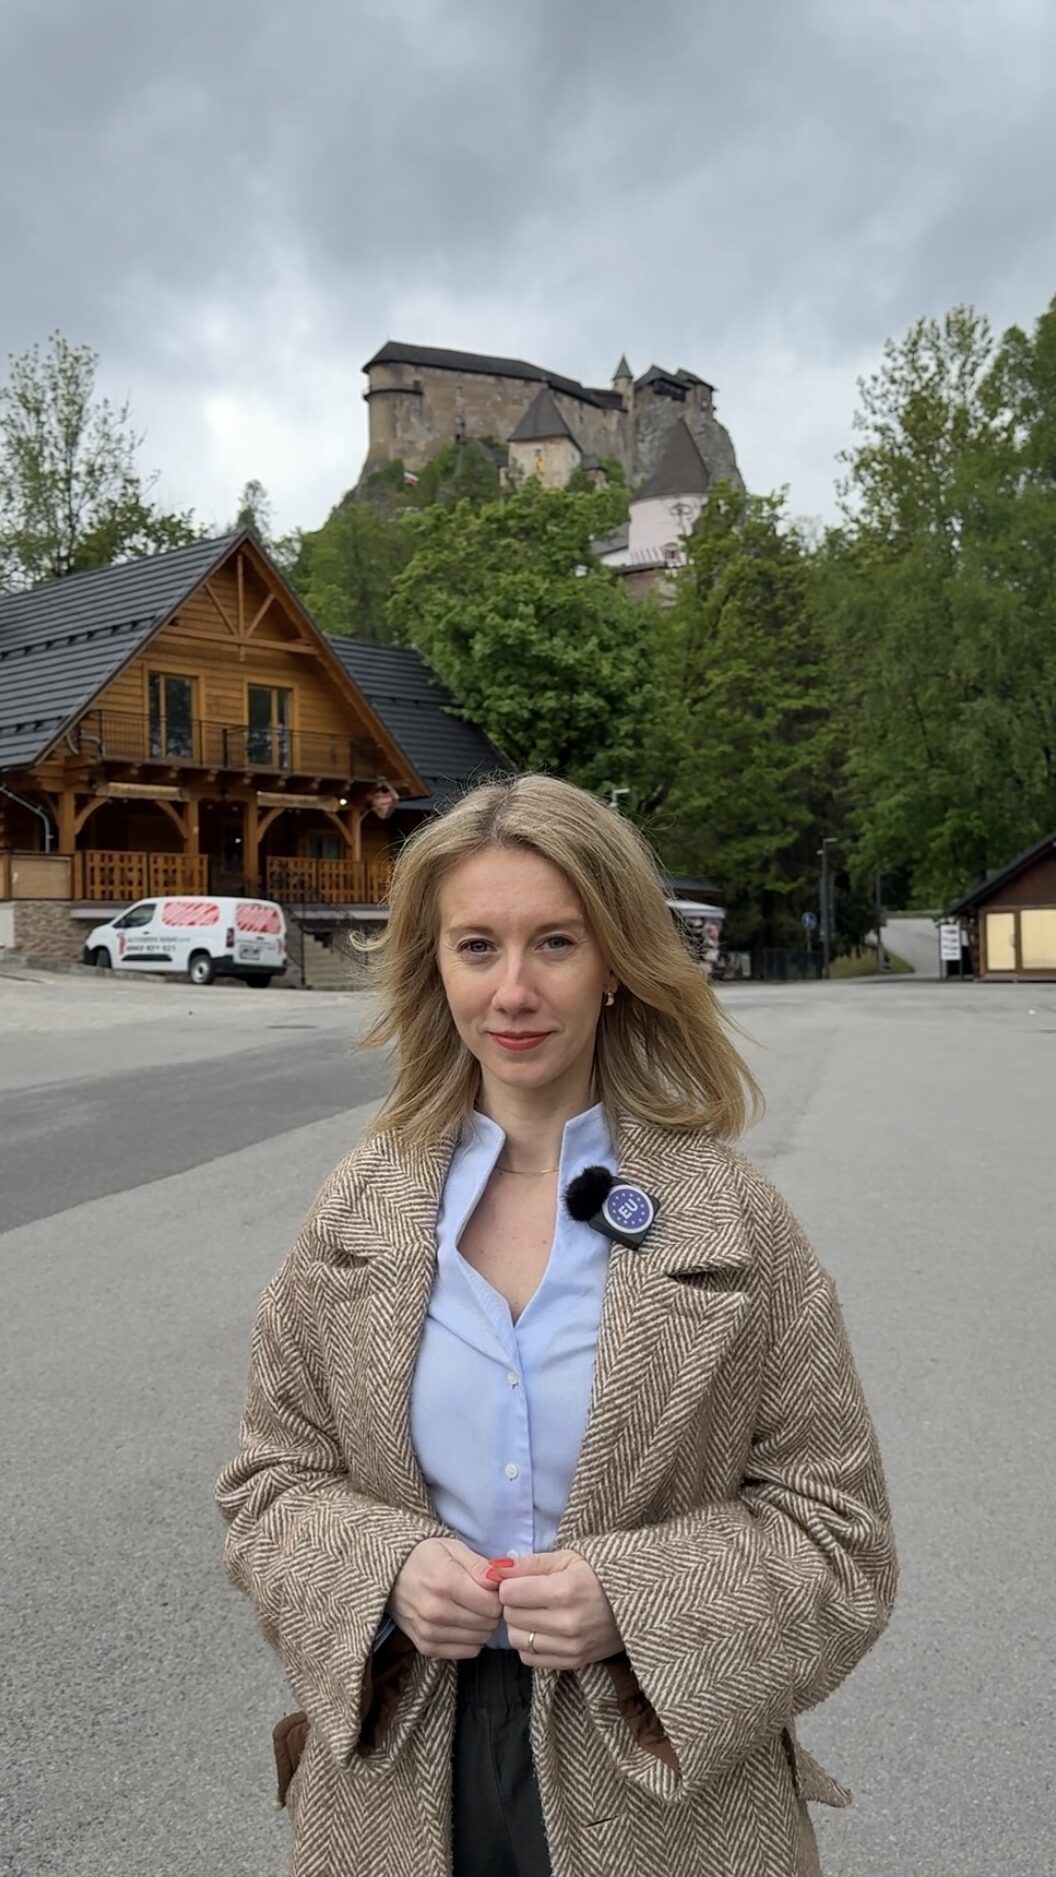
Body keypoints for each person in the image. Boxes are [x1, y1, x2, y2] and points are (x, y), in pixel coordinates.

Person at [215, 773, 897, 1877]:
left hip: (668, 1779)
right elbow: (268, 1485)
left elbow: (841, 1532)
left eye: (557, 943)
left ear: (616, 959)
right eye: (477, 946)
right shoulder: (357, 1209)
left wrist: (636, 1599)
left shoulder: (735, 1220)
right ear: (436, 965)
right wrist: (384, 1568)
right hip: (396, 1769)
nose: (514, 991)